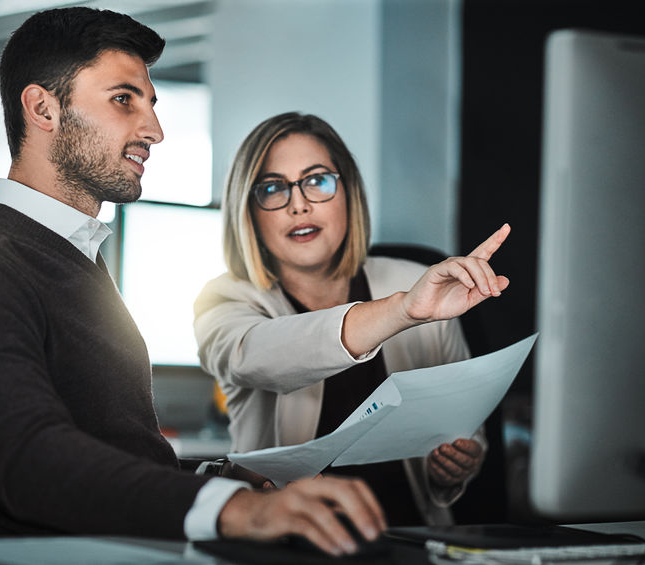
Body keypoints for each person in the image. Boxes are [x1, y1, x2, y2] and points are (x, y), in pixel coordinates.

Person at [0, 8, 386, 557]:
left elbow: (110, 449)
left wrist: (217, 480)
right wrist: (234, 511)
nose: (153, 130)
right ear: (43, 108)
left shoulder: (71, 257)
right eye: (123, 100)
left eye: (151, 104)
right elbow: (29, 462)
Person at [194, 112, 511, 526]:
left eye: (317, 181)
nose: (299, 204)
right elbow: (253, 358)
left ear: (349, 192)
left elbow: (464, 430)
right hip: (290, 541)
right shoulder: (225, 296)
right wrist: (402, 311)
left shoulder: (412, 278)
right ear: (249, 213)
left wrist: (455, 467)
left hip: (411, 540)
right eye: (273, 189)